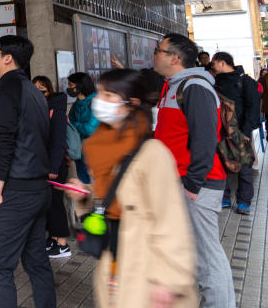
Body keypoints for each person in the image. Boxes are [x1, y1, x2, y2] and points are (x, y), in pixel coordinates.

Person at [65, 69, 197, 308]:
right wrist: (83, 195)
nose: (99, 101)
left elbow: (171, 221)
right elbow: (107, 199)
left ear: (132, 103)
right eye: (100, 93)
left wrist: (168, 280)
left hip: (147, 268)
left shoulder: (152, 153)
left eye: (108, 95)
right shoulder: (102, 147)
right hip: (114, 261)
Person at [153, 33, 234, 308]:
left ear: (174, 58)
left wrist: (192, 185)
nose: (154, 54)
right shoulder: (172, 87)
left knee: (207, 258)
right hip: (182, 183)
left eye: (158, 50)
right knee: (195, 256)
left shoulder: (194, 87)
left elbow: (204, 140)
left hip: (196, 185)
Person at [0, 35, 55, 308]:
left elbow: (3, 138)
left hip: (16, 190)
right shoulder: (34, 92)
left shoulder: (6, 90)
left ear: (7, 58)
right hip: (37, 189)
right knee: (37, 263)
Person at [210, 51, 260, 214]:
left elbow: (253, 108)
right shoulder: (215, 82)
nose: (212, 66)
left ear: (222, 63)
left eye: (214, 63)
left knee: (244, 166)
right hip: (220, 131)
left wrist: (245, 131)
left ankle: (244, 201)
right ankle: (224, 197)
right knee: (222, 164)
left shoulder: (245, 81)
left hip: (240, 131)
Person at [33, 76, 71, 259]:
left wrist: (54, 167)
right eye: (35, 89)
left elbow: (58, 140)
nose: (39, 93)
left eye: (43, 90)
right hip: (45, 165)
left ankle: (62, 244)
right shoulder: (40, 108)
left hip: (55, 166)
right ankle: (54, 239)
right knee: (49, 204)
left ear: (50, 91)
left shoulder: (56, 109)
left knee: (56, 204)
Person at [67, 72, 99, 183]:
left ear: (79, 86)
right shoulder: (77, 104)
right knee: (85, 186)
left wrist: (74, 125)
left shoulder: (96, 102)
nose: (68, 88)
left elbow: (90, 128)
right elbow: (69, 121)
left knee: (96, 188)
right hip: (79, 150)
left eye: (71, 85)